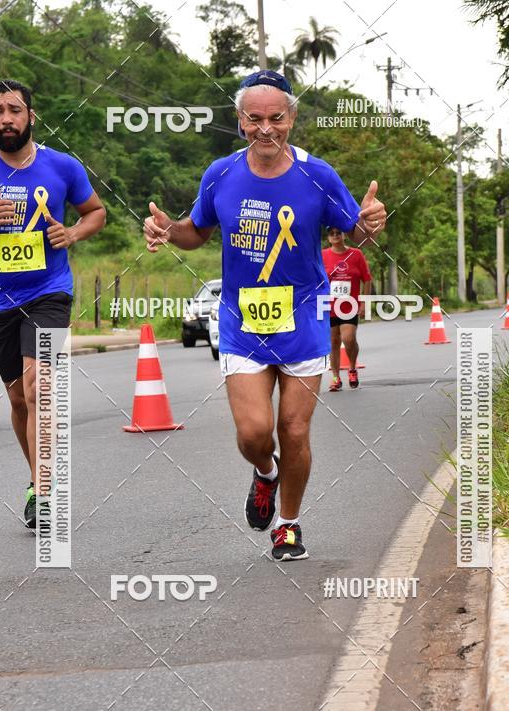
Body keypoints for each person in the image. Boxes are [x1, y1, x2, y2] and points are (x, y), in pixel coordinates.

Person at [144, 70, 386, 561]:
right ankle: (265, 473)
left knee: (294, 430)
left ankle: (288, 525)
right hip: (242, 322)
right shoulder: (221, 174)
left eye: (276, 117)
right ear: (240, 121)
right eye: (255, 119)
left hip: (304, 320)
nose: (266, 128)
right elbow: (197, 231)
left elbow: (355, 232)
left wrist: (370, 223)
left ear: (291, 118)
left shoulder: (318, 175)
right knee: (255, 433)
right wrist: (170, 231)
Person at [0, 80, 106, 529]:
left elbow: (96, 211)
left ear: (31, 115)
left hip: (49, 293)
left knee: (37, 389)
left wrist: (73, 232)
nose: (6, 119)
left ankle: (46, 493)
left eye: (15, 110)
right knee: (17, 398)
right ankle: (35, 479)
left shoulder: (61, 166)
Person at [322, 227, 372, 390]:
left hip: (349, 306)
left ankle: (352, 368)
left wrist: (364, 302)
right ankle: (336, 378)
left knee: (348, 338)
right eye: (332, 233)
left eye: (338, 233)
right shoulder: (323, 256)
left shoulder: (356, 254)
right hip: (329, 305)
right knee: (333, 342)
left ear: (344, 236)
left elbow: (367, 279)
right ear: (328, 238)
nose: (335, 235)